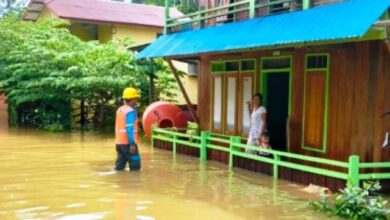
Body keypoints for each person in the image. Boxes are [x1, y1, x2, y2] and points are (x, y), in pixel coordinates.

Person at [115, 87, 141, 171]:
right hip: (128, 144)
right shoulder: (130, 111)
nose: (137, 100)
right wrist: (132, 144)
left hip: (119, 143)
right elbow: (129, 129)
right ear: (132, 99)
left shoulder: (120, 110)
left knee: (119, 168)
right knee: (135, 168)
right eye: (136, 98)